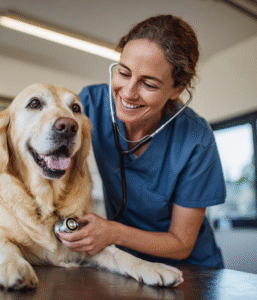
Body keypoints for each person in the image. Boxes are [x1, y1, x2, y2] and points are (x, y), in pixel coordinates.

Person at [58, 14, 226, 268]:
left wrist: (113, 232)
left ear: (177, 90)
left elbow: (181, 243)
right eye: (123, 73)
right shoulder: (91, 104)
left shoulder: (196, 139)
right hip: (130, 264)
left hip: (192, 271)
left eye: (148, 84)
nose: (128, 93)